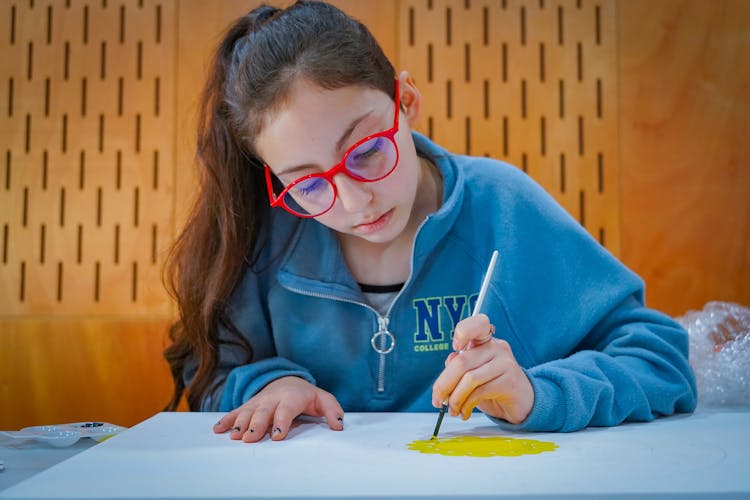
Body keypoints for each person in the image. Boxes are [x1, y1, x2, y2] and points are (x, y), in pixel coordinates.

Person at [163, 0, 697, 443]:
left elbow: (660, 361)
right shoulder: (265, 235)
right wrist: (270, 385)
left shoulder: (502, 208)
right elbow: (211, 372)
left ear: (407, 101)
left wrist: (536, 394)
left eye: (367, 150)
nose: (353, 202)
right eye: (306, 184)